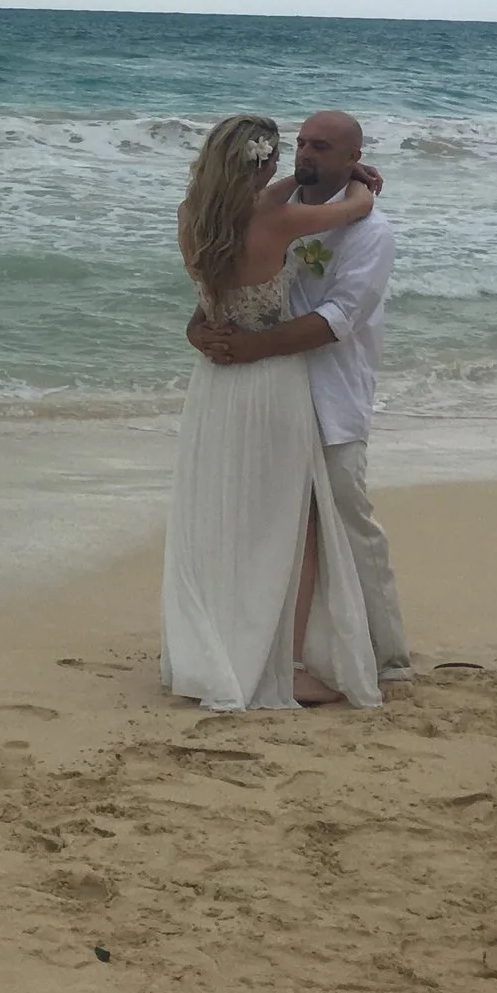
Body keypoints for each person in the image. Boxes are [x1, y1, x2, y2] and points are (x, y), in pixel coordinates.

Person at [161, 113, 382, 711]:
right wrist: (360, 179)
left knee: (221, 514)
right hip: (269, 381)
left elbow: (260, 204)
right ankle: (279, 663)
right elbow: (354, 210)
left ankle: (213, 641)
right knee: (290, 525)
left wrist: (283, 177)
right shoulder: (280, 220)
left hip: (213, 383)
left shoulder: (194, 218)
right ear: (263, 161)